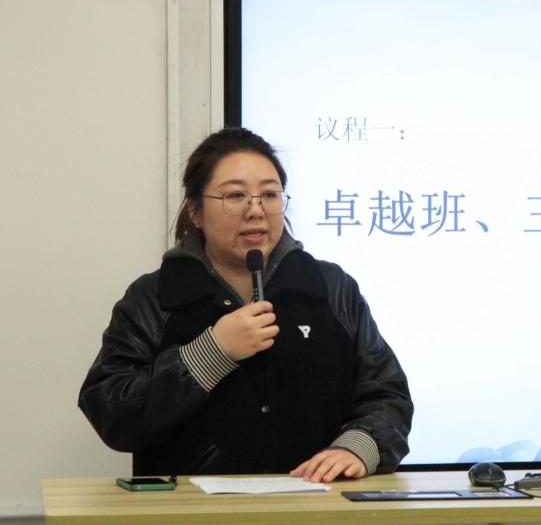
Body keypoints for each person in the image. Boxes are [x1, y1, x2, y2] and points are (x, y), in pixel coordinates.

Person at [79, 127, 412, 482]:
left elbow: (387, 395)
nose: (256, 210)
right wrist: (211, 353)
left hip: (316, 504)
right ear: (195, 211)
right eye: (235, 195)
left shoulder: (331, 288)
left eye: (269, 194)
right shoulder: (155, 297)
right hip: (190, 508)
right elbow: (112, 412)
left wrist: (357, 447)